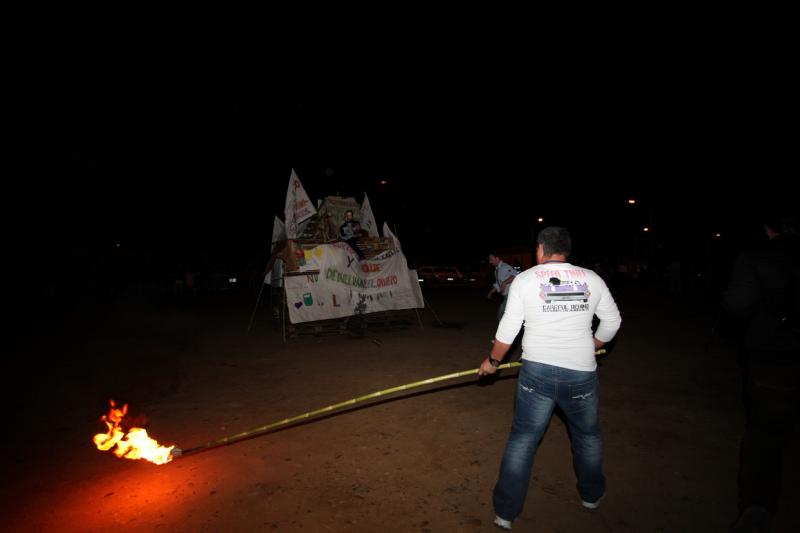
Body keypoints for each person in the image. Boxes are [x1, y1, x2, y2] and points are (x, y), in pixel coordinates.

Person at [478, 226, 622, 530]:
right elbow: (613, 321)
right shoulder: (592, 279)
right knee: (587, 435)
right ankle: (591, 496)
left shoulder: (526, 279)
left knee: (523, 439)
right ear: (566, 250)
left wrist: (493, 361)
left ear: (541, 250)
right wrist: (593, 345)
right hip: (581, 373)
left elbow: (509, 328)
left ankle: (505, 512)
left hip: (537, 373)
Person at [722, 215, 800, 533]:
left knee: (765, 435)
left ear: (770, 229)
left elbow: (737, 304)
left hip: (776, 358)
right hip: (779, 355)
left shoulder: (760, 257)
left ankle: (757, 509)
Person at [487, 252, 518, 321]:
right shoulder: (496, 270)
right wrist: (491, 292)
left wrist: (504, 282)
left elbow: (515, 275)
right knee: (504, 316)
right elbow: (498, 284)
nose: (490, 262)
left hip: (511, 296)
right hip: (506, 296)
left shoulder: (505, 266)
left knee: (501, 315)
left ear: (497, 258)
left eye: (491, 259)